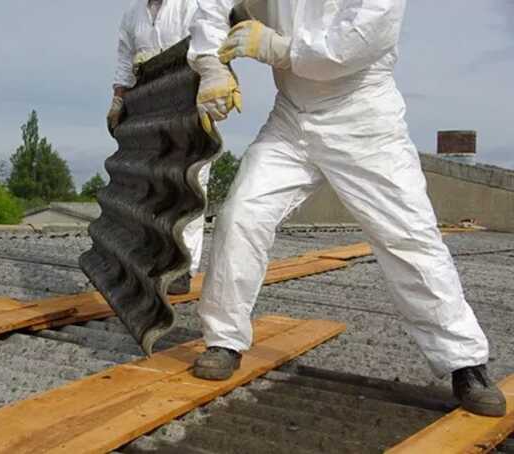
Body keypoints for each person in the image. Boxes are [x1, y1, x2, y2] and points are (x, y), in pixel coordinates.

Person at [186, 0, 506, 417]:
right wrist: (211, 64)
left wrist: (277, 49)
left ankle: (464, 362)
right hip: (291, 119)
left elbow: (352, 43)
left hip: (362, 118)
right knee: (241, 215)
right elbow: (212, 5)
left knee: (408, 237)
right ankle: (224, 339)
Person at [108, 0, 208, 295]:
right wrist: (118, 100)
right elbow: (126, 59)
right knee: (152, 182)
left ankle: (184, 267)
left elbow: (211, 45)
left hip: (190, 99)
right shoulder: (133, 16)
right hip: (148, 102)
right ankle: (152, 259)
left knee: (191, 182)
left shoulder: (192, 6)